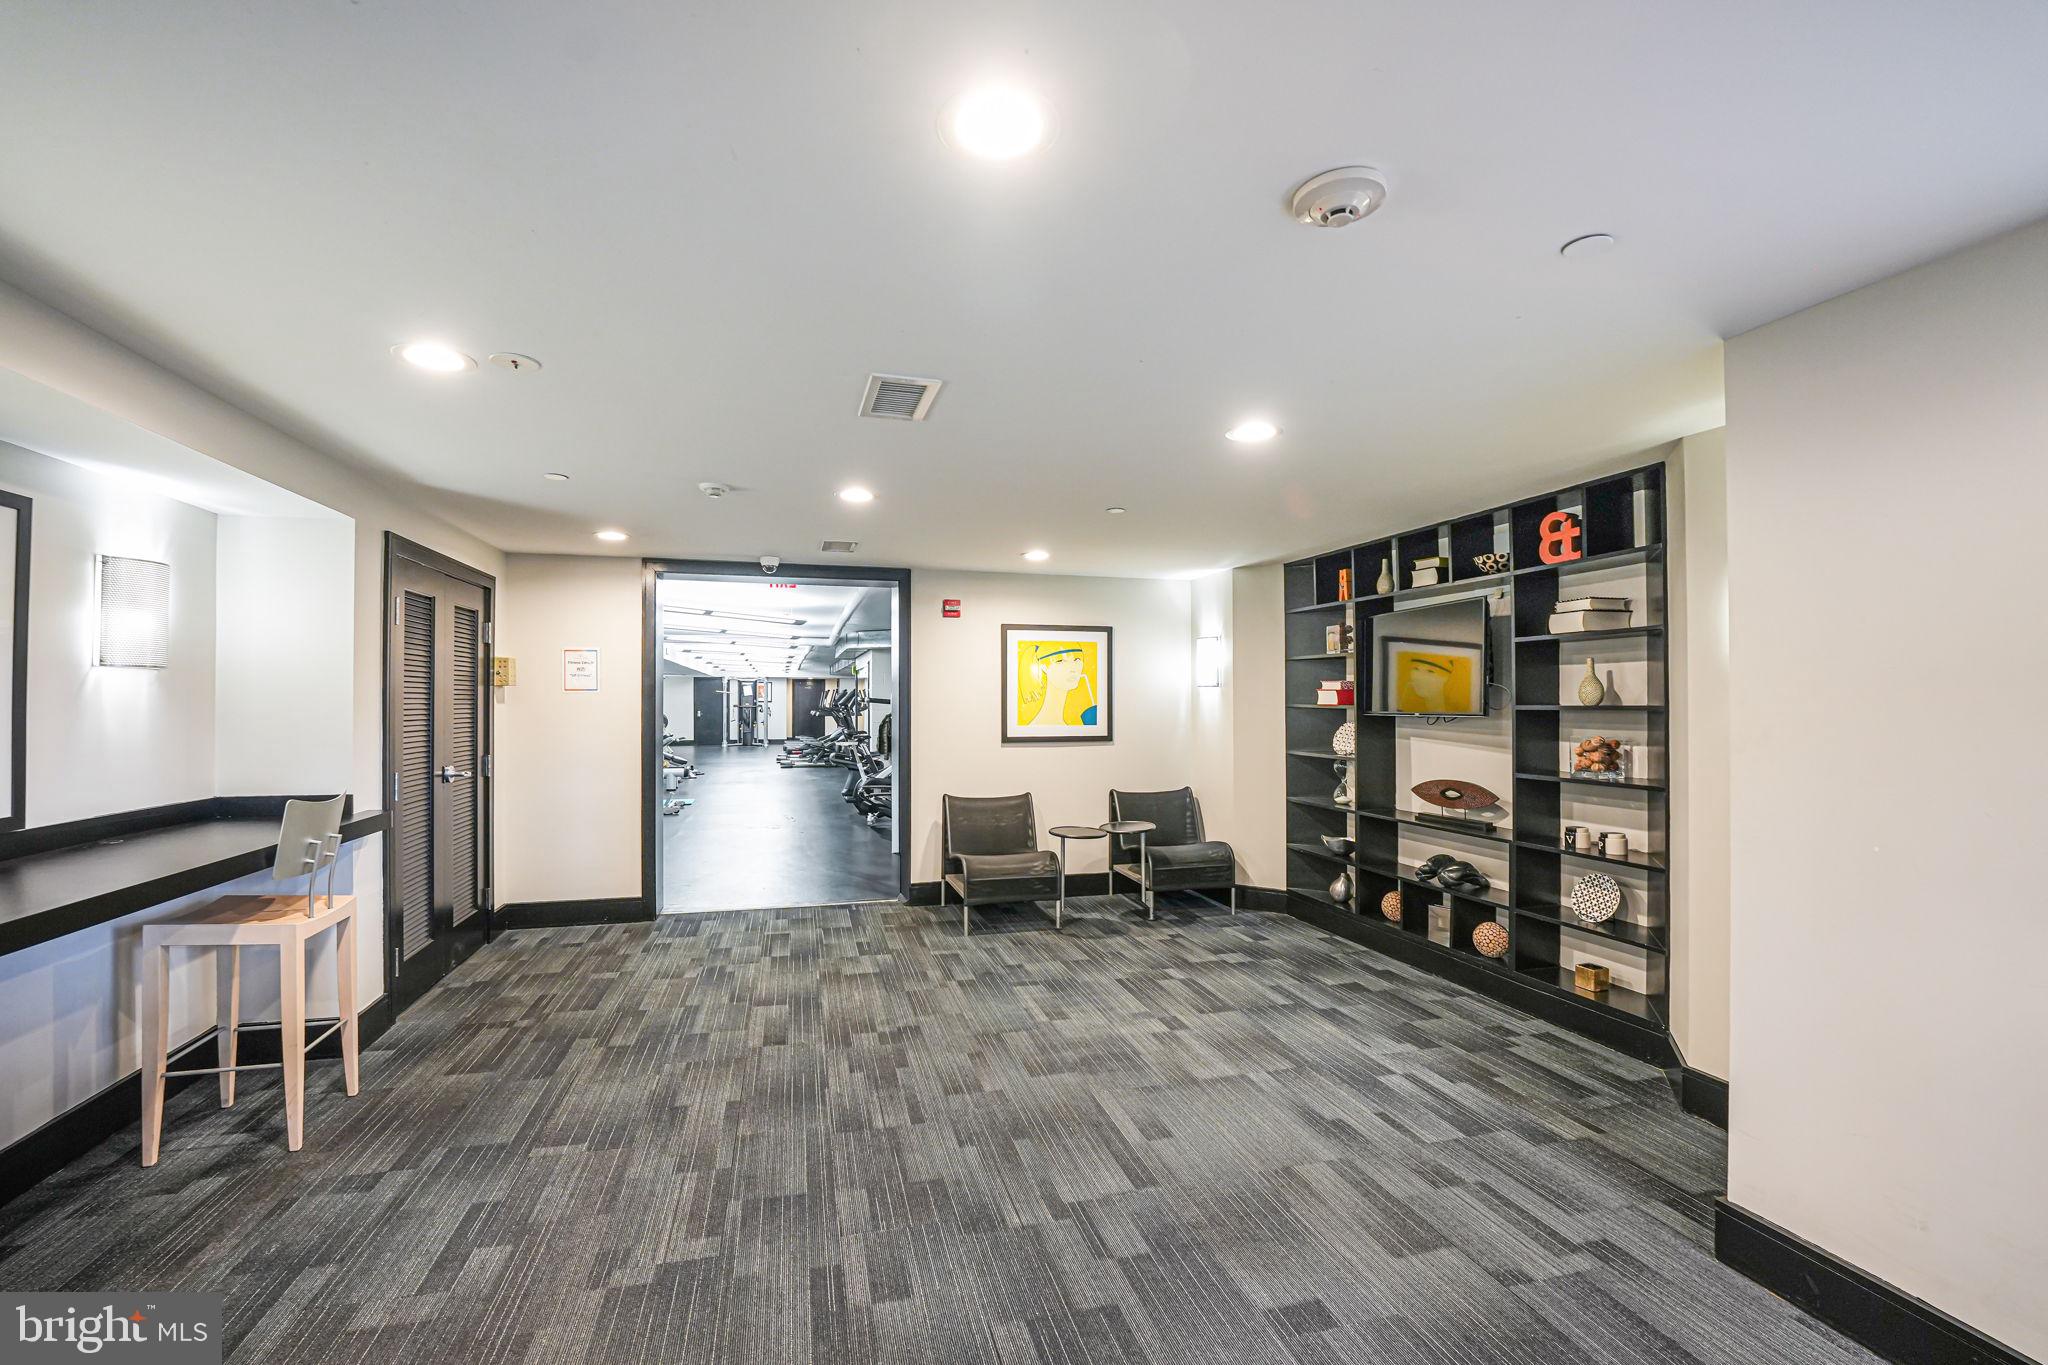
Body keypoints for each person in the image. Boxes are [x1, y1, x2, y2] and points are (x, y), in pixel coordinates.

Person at [1025, 644, 1097, 728]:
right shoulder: (1039, 726)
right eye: (1060, 661)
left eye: (1077, 660)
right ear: (1044, 667)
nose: (1073, 669)